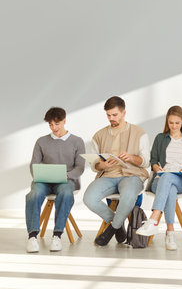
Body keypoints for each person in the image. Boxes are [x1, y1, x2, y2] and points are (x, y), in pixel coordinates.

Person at [83, 96, 150, 246]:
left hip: (132, 175)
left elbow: (146, 161)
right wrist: (103, 166)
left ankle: (111, 230)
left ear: (123, 113)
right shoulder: (99, 135)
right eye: (108, 115)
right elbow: (95, 164)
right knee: (89, 198)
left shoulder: (139, 133)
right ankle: (118, 225)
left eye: (114, 115)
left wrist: (131, 158)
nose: (111, 118)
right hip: (108, 175)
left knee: (128, 195)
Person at [136, 106, 182, 250]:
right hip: (160, 180)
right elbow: (153, 161)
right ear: (167, 122)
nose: (174, 126)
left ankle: (154, 219)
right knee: (169, 185)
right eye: (171, 123)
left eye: (177, 123)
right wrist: (157, 168)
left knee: (170, 179)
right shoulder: (160, 138)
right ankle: (170, 232)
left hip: (181, 180)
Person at [26, 107, 85, 253]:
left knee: (65, 193)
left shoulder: (77, 141)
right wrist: (40, 175)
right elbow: (34, 164)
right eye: (51, 125)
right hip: (44, 181)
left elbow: (80, 167)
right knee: (33, 194)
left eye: (57, 124)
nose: (54, 128)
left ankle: (57, 236)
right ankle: (32, 237)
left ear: (64, 121)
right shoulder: (41, 141)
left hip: (66, 181)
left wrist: (67, 175)